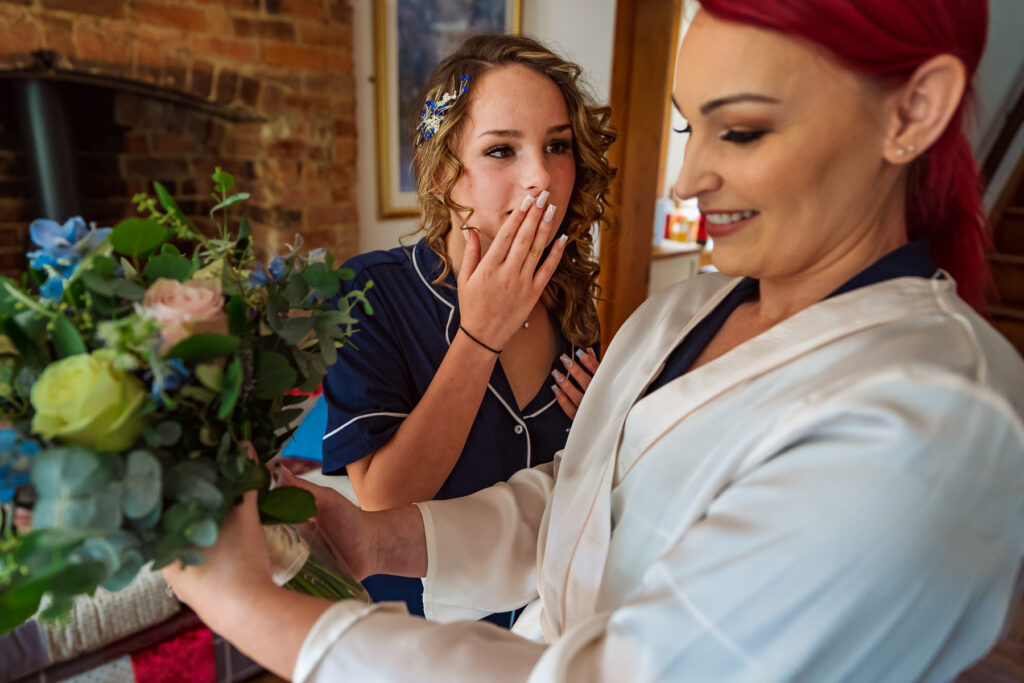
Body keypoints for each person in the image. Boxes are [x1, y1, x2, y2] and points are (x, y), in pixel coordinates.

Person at [166, 1, 1024, 680]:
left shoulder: (933, 419)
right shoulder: (681, 313)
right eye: (691, 128)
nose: (687, 179)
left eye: (745, 128)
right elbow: (581, 507)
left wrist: (261, 611)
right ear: (448, 170)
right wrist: (380, 540)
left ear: (912, 112)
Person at [304, 34, 613, 625]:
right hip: (427, 633)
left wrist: (611, 421)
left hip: (554, 620)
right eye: (502, 150)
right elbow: (384, 498)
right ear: (446, 170)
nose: (541, 178)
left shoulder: (569, 294)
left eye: (557, 146)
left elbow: (574, 481)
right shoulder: (367, 292)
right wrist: (479, 337)